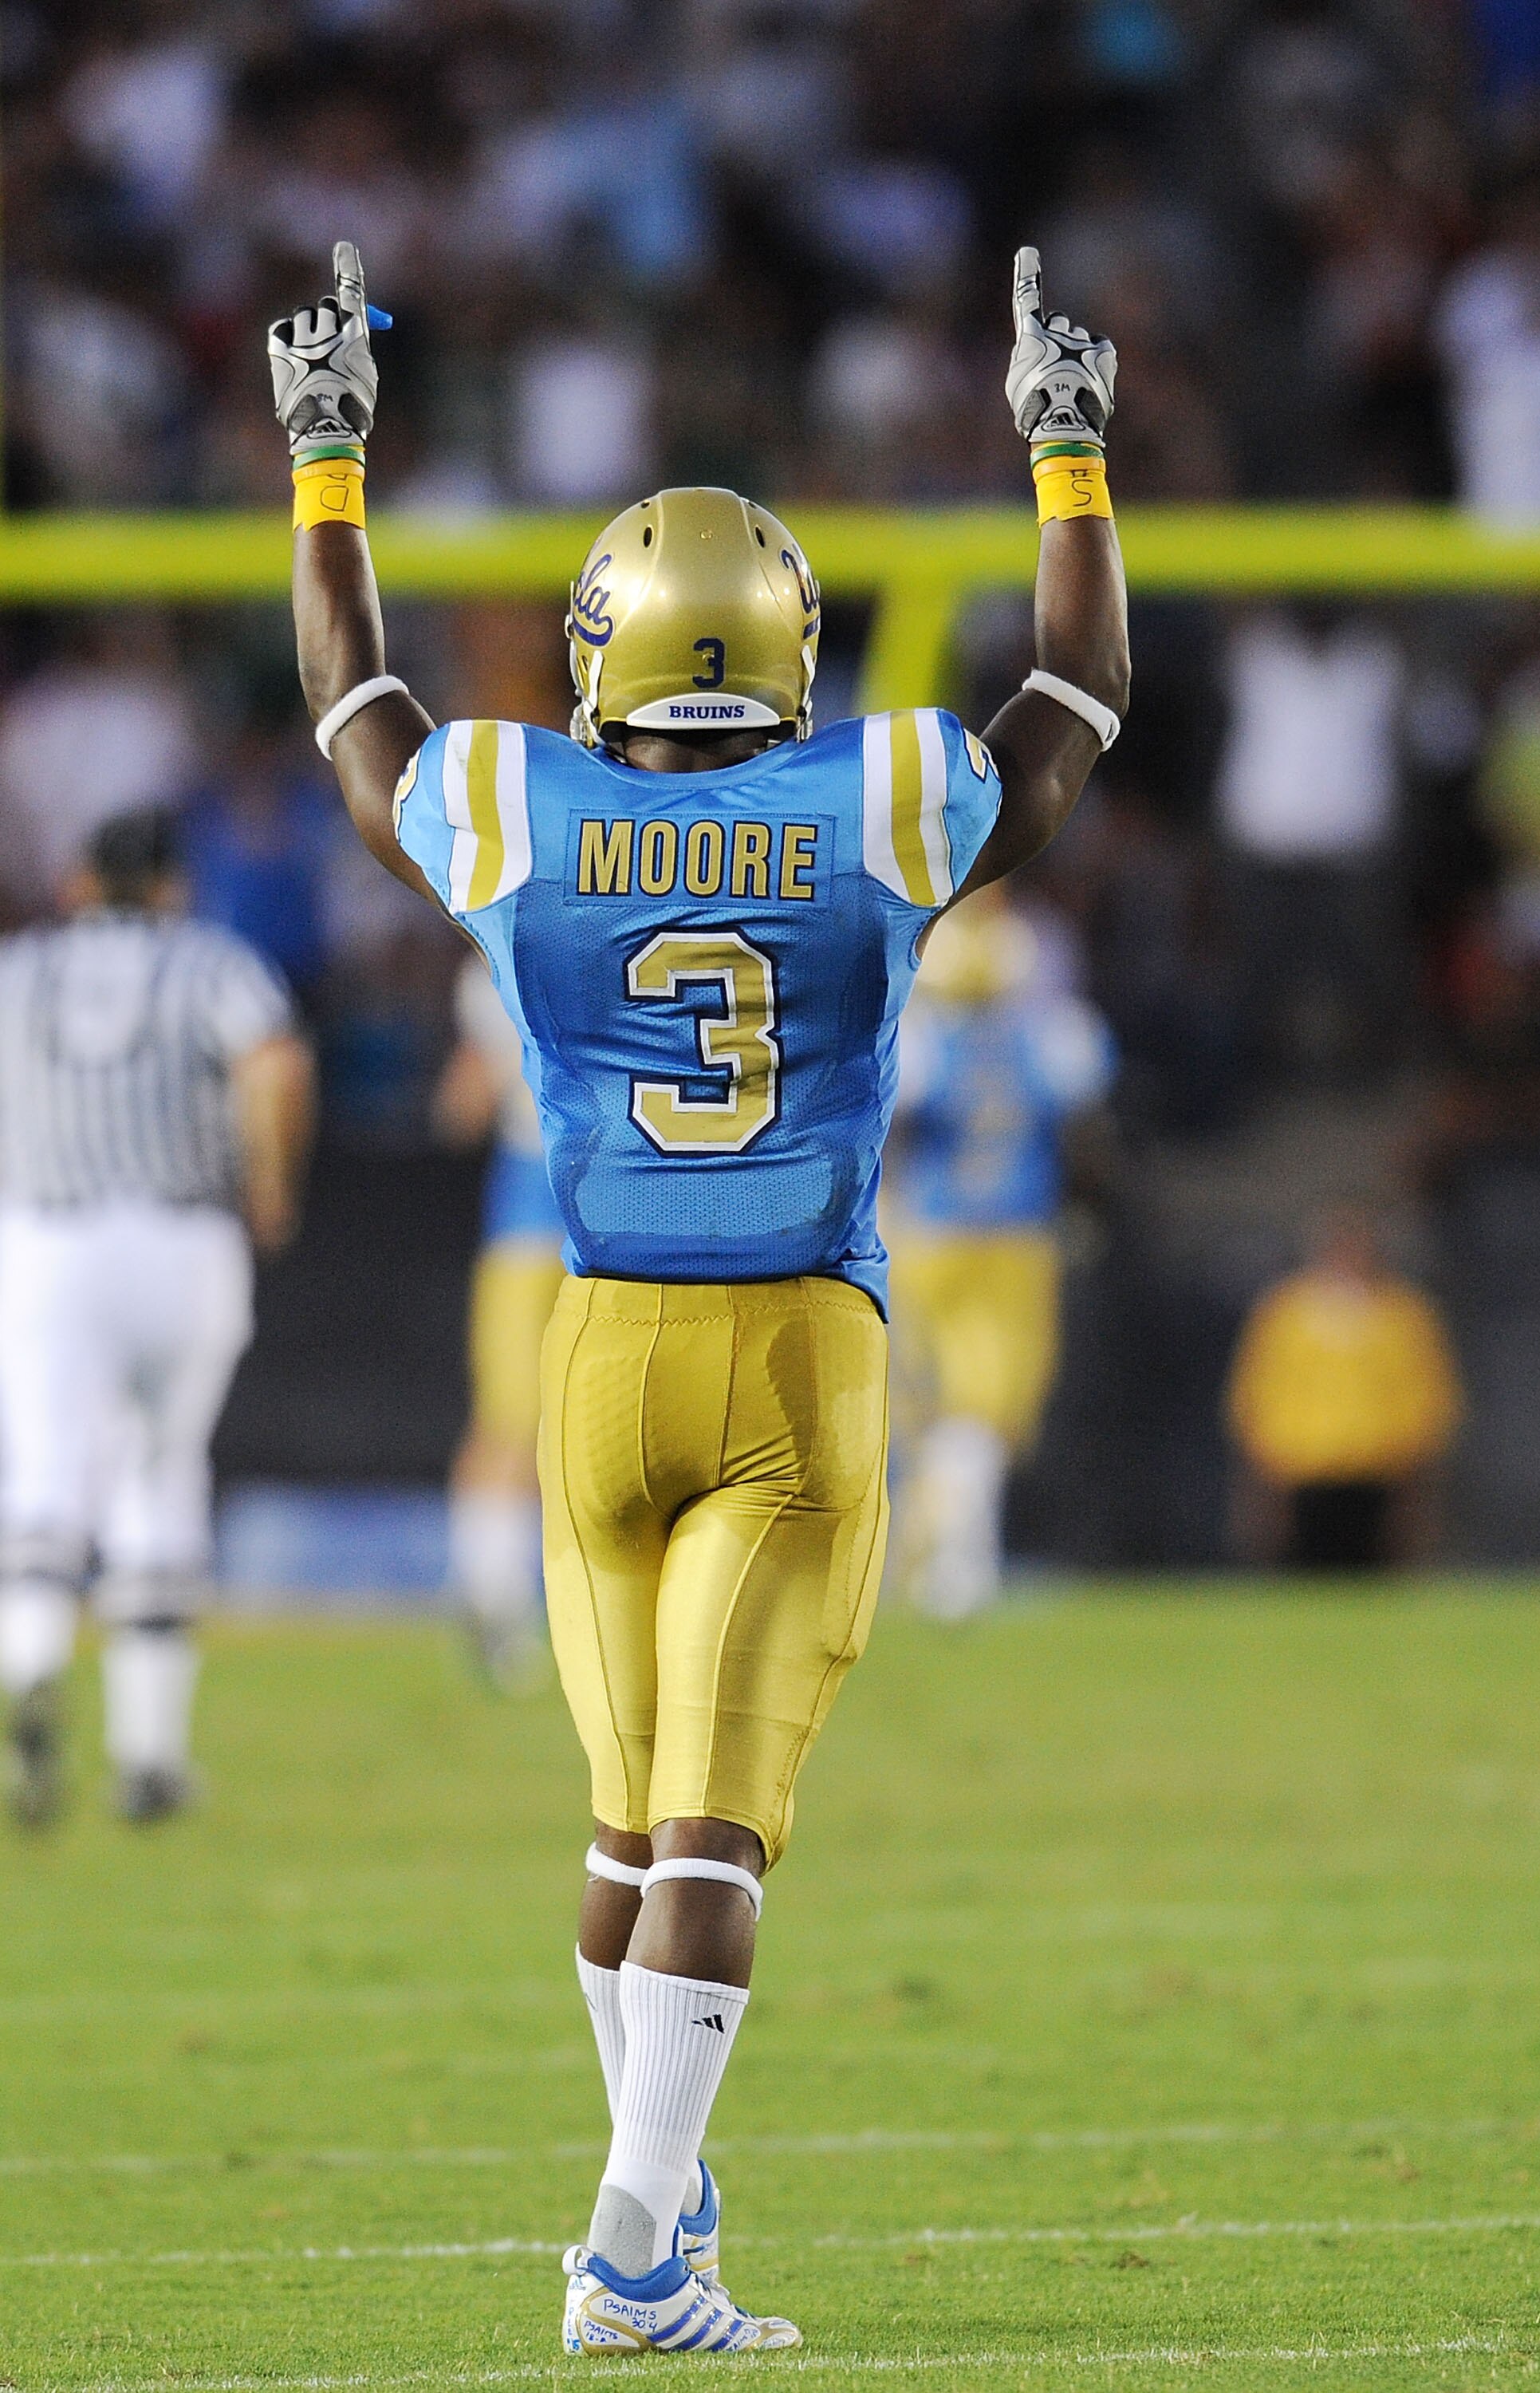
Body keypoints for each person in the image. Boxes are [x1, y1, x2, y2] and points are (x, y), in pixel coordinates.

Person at [269, 239, 1127, 2354]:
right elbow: (1076, 704)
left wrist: (326, 468)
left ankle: (665, 2221)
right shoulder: (879, 798)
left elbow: (354, 719)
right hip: (797, 1353)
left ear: (606, 654)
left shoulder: (517, 806)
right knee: (717, 1834)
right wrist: (1068, 461)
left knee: (624, 1820)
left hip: (598, 1352)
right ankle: (634, 2248)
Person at [0, 808, 314, 1826]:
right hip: (182, 1243)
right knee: (160, 1472)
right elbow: (274, 1061)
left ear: (82, 883)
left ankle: (31, 1667)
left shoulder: (21, 970)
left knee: (45, 1473)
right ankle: (148, 1753)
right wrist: (270, 1183)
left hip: (47, 1242)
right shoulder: (211, 963)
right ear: (174, 884)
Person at [887, 889, 1116, 1616]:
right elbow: (1087, 1097)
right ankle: (959, 1563)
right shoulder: (1051, 1037)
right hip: (1014, 1236)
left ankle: (935, 1556)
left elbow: (890, 1114)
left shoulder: (920, 1040)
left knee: (933, 1404)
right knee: (990, 1406)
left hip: (929, 1234)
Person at [434, 954, 564, 1691]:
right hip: (576, 1218)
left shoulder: (496, 961)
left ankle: (495, 1599)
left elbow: (460, 1108)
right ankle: (493, 1602)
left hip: (535, 1221)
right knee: (516, 1425)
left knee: (522, 1424)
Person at [1226, 1204, 1463, 1572]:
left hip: (1380, 1472)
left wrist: (1413, 1459)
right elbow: (1259, 1391)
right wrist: (1268, 1461)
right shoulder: (1286, 1313)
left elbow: (1427, 1393)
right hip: (1304, 1471)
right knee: (1303, 1573)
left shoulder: (1404, 1314)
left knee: (1377, 1572)